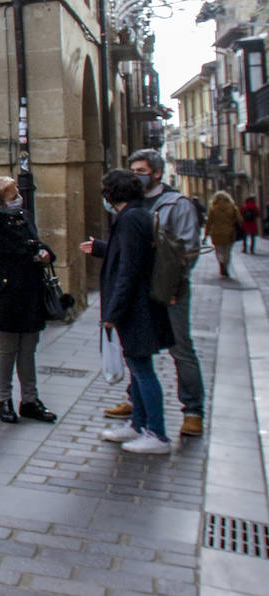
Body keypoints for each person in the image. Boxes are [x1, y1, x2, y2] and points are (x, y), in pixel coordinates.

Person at [102, 150, 205, 439]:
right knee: (139, 350)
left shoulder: (176, 204)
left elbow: (187, 251)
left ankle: (193, 410)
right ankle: (138, 406)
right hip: (140, 292)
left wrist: (172, 286)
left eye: (141, 169)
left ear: (157, 172)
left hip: (168, 291)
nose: (137, 174)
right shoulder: (132, 207)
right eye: (133, 169)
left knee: (180, 349)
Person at [82, 169, 175, 455]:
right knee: (137, 369)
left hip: (137, 308)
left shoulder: (131, 218)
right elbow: (128, 254)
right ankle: (139, 424)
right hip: (138, 306)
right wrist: (101, 248)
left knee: (143, 371)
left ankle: (156, 433)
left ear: (113, 193)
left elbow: (130, 269)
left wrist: (113, 311)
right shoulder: (135, 216)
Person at [0, 176, 57, 425]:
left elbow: (36, 241)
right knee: (7, 349)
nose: (17, 193)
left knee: (28, 348)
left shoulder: (23, 215)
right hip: (4, 292)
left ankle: (30, 400)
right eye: (12, 190)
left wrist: (46, 253)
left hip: (30, 290)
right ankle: (4, 399)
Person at [205, 191, 240, 278]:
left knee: (219, 250)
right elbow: (240, 219)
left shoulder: (213, 208)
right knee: (227, 251)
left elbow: (209, 222)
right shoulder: (233, 207)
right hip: (229, 232)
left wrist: (205, 235)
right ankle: (226, 266)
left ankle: (221, 263)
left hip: (216, 232)